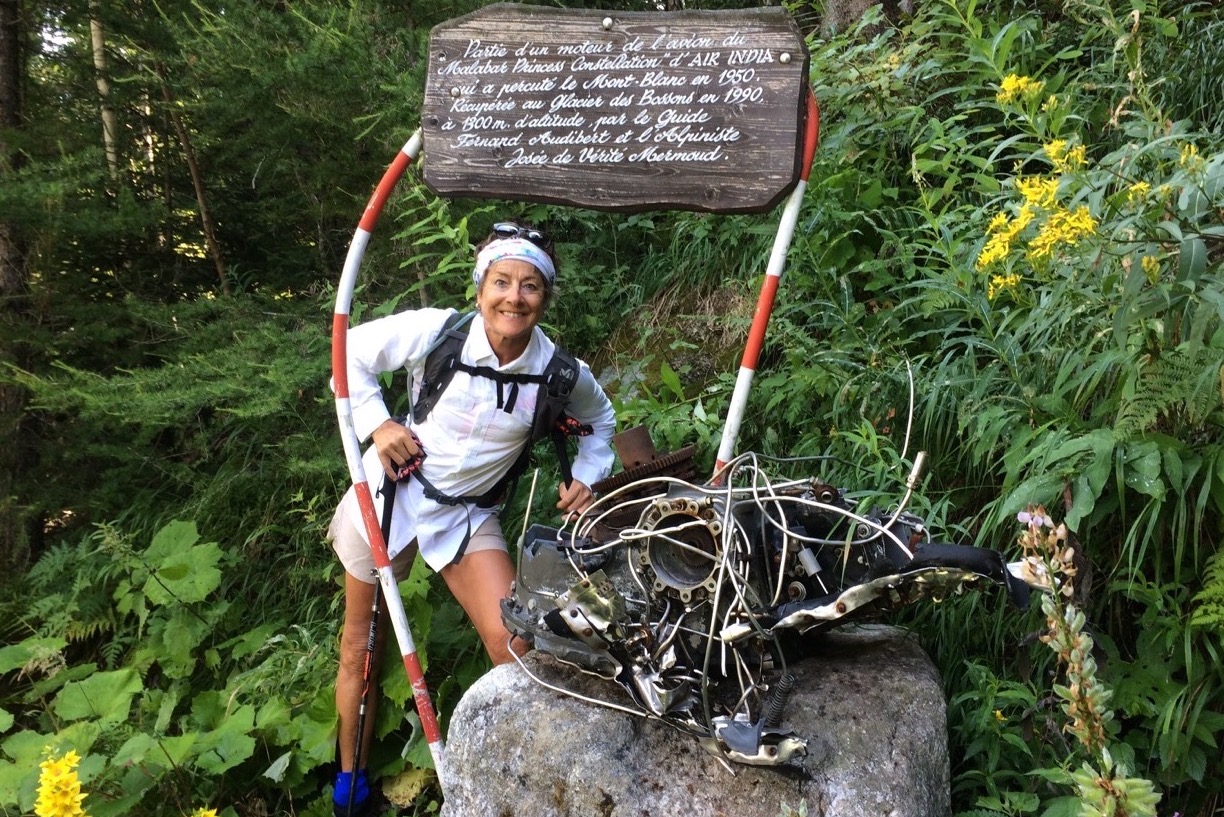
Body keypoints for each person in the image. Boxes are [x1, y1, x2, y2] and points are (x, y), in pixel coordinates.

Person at [326, 221, 616, 816]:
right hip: (388, 496)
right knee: (363, 646)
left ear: (545, 297)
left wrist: (588, 475)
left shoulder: (559, 372)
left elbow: (602, 421)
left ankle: (530, 778)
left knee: (515, 641)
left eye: (530, 286)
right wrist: (379, 425)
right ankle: (350, 785)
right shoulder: (439, 332)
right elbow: (348, 353)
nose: (514, 297)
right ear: (481, 286)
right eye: (502, 281)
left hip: (465, 518)